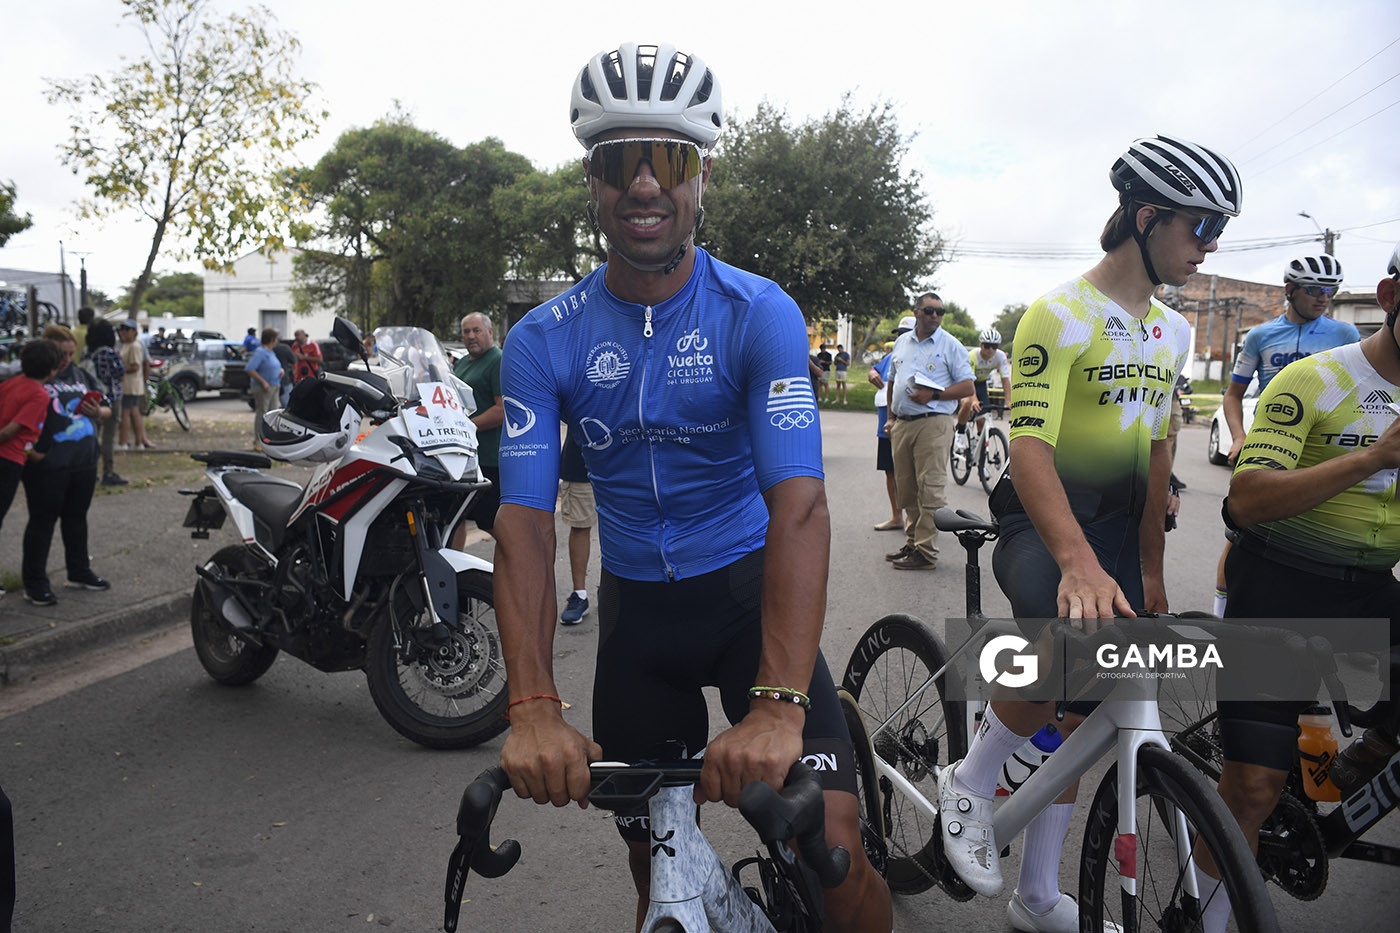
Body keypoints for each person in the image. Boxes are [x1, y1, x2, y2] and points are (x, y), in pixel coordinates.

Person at [493, 42, 890, 933]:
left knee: (835, 856)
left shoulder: (758, 313)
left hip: (749, 603)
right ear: (592, 181)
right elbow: (522, 521)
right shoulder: (542, 339)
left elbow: (801, 505)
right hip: (641, 626)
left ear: (700, 176)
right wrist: (530, 705)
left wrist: (779, 705)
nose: (642, 184)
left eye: (665, 159)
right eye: (616, 160)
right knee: (657, 877)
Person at [938, 135, 1237, 932]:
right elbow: (1030, 446)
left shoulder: (1173, 332)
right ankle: (971, 774)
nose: (1209, 246)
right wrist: (1074, 561)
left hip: (1113, 523)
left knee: (1080, 711)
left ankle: (1038, 896)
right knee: (1068, 642)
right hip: (1040, 514)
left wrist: (1150, 570)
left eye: (1219, 230)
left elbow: (1158, 451)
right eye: (1201, 225)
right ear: (1146, 216)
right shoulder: (1059, 314)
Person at [1199, 242, 1400, 933]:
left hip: (1370, 587)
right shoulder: (1313, 378)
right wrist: (1374, 457)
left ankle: (1371, 751)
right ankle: (1203, 918)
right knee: (1253, 786)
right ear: (1391, 296)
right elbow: (1246, 501)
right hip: (1279, 584)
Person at [1209, 253, 1357, 616]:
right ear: (1290, 290)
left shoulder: (1345, 334)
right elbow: (1233, 394)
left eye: (1331, 290)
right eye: (1315, 289)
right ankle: (1219, 614)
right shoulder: (1261, 335)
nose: (1324, 297)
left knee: (1328, 536)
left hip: (1324, 445)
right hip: (1270, 443)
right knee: (1241, 535)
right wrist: (1240, 437)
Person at [21, 324, 117, 605]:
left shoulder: (82, 375)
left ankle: (79, 571)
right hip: (48, 466)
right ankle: (34, 582)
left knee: (76, 518)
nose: (66, 360)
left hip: (83, 462)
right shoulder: (36, 377)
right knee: (42, 522)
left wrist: (99, 411)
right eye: (62, 354)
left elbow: (107, 406)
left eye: (71, 354)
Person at [884, 292, 975, 571]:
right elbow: (892, 381)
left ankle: (926, 552)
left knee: (931, 489)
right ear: (916, 312)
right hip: (903, 424)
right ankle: (912, 543)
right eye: (929, 311)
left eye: (940, 311)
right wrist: (890, 417)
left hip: (933, 423)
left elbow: (967, 387)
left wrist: (934, 393)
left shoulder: (951, 345)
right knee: (906, 489)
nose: (935, 315)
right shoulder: (902, 342)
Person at [0, 340, 63, 557]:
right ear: (52, 370)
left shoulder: (11, 383)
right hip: (9, 460)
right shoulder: (39, 394)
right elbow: (11, 431)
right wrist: (35, 455)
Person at [451, 312, 504, 543]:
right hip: (462, 458)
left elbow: (502, 409)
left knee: (492, 522)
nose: (471, 336)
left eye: (477, 330)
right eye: (466, 331)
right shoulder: (462, 363)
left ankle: (521, 569)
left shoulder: (498, 360)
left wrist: (465, 428)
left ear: (490, 332)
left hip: (489, 459)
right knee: (455, 519)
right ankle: (455, 576)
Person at [870, 317, 914, 531]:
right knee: (890, 471)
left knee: (912, 473)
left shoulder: (920, 357)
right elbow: (875, 369)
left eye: (906, 333)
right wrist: (872, 373)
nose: (900, 337)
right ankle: (896, 516)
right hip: (886, 424)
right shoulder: (892, 355)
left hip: (909, 422)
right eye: (899, 333)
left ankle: (914, 520)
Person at [557, 426, 596, 625]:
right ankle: (579, 594)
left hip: (626, 458)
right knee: (580, 526)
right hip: (580, 459)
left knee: (626, 526)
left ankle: (619, 589)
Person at [954, 326, 1012, 455]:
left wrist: (1008, 400)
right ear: (981, 345)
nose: (990, 350)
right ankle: (960, 433)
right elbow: (969, 382)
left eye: (994, 346)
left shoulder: (1000, 356)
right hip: (966, 382)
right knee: (968, 403)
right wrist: (974, 400)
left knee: (982, 418)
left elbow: (1005, 379)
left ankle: (980, 455)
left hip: (981, 384)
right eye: (987, 346)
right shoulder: (972, 356)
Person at [84, 319, 128, 485]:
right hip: (112, 397)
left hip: (94, 398)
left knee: (94, 434)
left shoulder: (87, 352)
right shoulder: (111, 353)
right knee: (109, 436)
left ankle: (91, 471)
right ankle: (108, 473)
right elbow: (121, 375)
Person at [116, 319, 153, 454]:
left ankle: (124, 442)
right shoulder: (126, 345)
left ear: (134, 332)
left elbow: (136, 366)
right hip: (129, 385)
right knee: (134, 413)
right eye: (123, 329)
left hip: (130, 385)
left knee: (126, 414)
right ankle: (138, 442)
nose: (124, 332)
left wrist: (120, 370)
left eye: (127, 330)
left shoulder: (135, 346)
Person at [245, 328, 282, 452]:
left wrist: (280, 371)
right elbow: (250, 369)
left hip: (274, 385)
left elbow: (273, 365)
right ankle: (258, 441)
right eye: (276, 339)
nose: (277, 341)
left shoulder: (271, 352)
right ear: (272, 340)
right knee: (262, 413)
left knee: (272, 414)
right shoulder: (260, 352)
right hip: (264, 388)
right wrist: (263, 382)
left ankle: (269, 440)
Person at [273, 336, 296, 407]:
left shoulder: (265, 349)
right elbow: (294, 360)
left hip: (269, 381)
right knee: (288, 405)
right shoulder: (284, 348)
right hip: (285, 379)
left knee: (271, 407)